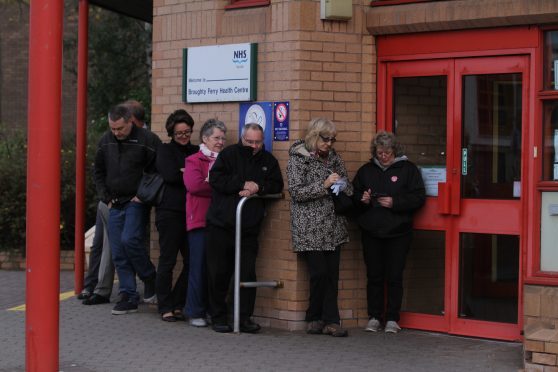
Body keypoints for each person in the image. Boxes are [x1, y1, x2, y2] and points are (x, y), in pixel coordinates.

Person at [205, 123, 283, 333]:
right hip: (221, 224)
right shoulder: (229, 154)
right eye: (250, 142)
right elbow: (217, 179)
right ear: (242, 139)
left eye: (258, 142)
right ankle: (219, 316)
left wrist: (259, 187)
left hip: (248, 227)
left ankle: (243, 317)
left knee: (247, 272)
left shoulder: (268, 160)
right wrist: (242, 184)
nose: (254, 146)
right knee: (219, 272)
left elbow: (277, 184)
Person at [352, 131, 425, 334]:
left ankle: (393, 318)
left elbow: (418, 197)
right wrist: (363, 199)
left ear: (395, 151)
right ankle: (374, 317)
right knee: (374, 276)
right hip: (371, 231)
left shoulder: (408, 170)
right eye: (380, 152)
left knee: (394, 276)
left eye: (387, 152)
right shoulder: (366, 170)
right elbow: (354, 194)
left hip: (398, 232)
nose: (383, 156)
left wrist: (395, 202)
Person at [287, 117, 352, 338]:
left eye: (333, 140)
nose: (330, 144)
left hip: (333, 226)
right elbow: (296, 191)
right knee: (319, 273)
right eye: (326, 139)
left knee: (332, 274)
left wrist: (341, 184)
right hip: (309, 226)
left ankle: (330, 321)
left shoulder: (334, 158)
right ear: (314, 136)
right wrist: (324, 185)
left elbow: (348, 186)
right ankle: (314, 316)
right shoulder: (298, 158)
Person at [93, 104, 161, 315]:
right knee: (119, 253)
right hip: (114, 202)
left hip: (136, 201)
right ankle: (128, 295)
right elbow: (98, 172)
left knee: (129, 240)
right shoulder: (106, 141)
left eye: (120, 128)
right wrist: (106, 198)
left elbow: (157, 170)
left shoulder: (148, 140)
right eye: (113, 129)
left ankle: (149, 277)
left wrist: (142, 195)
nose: (116, 133)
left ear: (130, 121)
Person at [155, 109, 199, 322]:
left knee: (192, 260)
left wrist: (185, 172)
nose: (183, 136)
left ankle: (177, 301)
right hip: (170, 212)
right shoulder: (164, 151)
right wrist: (188, 173)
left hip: (191, 213)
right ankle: (164, 306)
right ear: (171, 133)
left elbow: (201, 177)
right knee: (168, 260)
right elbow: (170, 175)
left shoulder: (196, 149)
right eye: (179, 132)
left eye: (187, 131)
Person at [183, 119, 227, 327]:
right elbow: (194, 186)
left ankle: (213, 309)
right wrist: (219, 185)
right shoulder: (194, 160)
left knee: (216, 269)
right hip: (199, 220)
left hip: (220, 220)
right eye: (216, 138)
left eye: (223, 138)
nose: (221, 142)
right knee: (198, 266)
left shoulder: (226, 160)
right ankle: (195, 310)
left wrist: (212, 182)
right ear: (205, 138)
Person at [79, 201, 115, 305]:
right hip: (106, 200)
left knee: (114, 245)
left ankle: (127, 291)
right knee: (97, 245)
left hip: (119, 201)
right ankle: (91, 286)